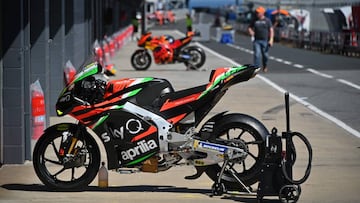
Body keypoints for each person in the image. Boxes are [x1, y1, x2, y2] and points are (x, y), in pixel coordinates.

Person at [248, 6, 274, 72]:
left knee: (265, 55)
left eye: (258, 12)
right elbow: (249, 27)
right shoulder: (254, 20)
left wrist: (271, 39)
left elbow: (271, 30)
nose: (257, 14)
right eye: (257, 12)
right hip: (257, 40)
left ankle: (265, 65)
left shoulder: (267, 20)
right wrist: (251, 31)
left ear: (262, 13)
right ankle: (256, 68)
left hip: (265, 41)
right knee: (257, 54)